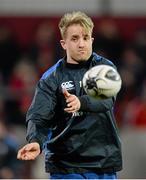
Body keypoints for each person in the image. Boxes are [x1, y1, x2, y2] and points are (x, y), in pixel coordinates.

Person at [17, 11, 122, 179]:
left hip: (102, 164)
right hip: (64, 167)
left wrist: (81, 102)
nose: (81, 44)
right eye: (74, 39)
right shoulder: (51, 78)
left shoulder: (104, 68)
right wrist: (35, 141)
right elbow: (38, 117)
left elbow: (106, 100)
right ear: (63, 43)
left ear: (92, 40)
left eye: (86, 38)